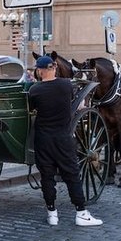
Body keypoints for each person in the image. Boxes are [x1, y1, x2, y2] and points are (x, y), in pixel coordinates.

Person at [29, 56, 103, 227]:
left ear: (39, 71)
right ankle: (81, 213)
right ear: (54, 68)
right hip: (63, 137)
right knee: (72, 175)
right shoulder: (66, 85)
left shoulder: (35, 90)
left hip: (43, 139)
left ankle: (52, 214)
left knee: (47, 177)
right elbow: (75, 104)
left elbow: (32, 108)